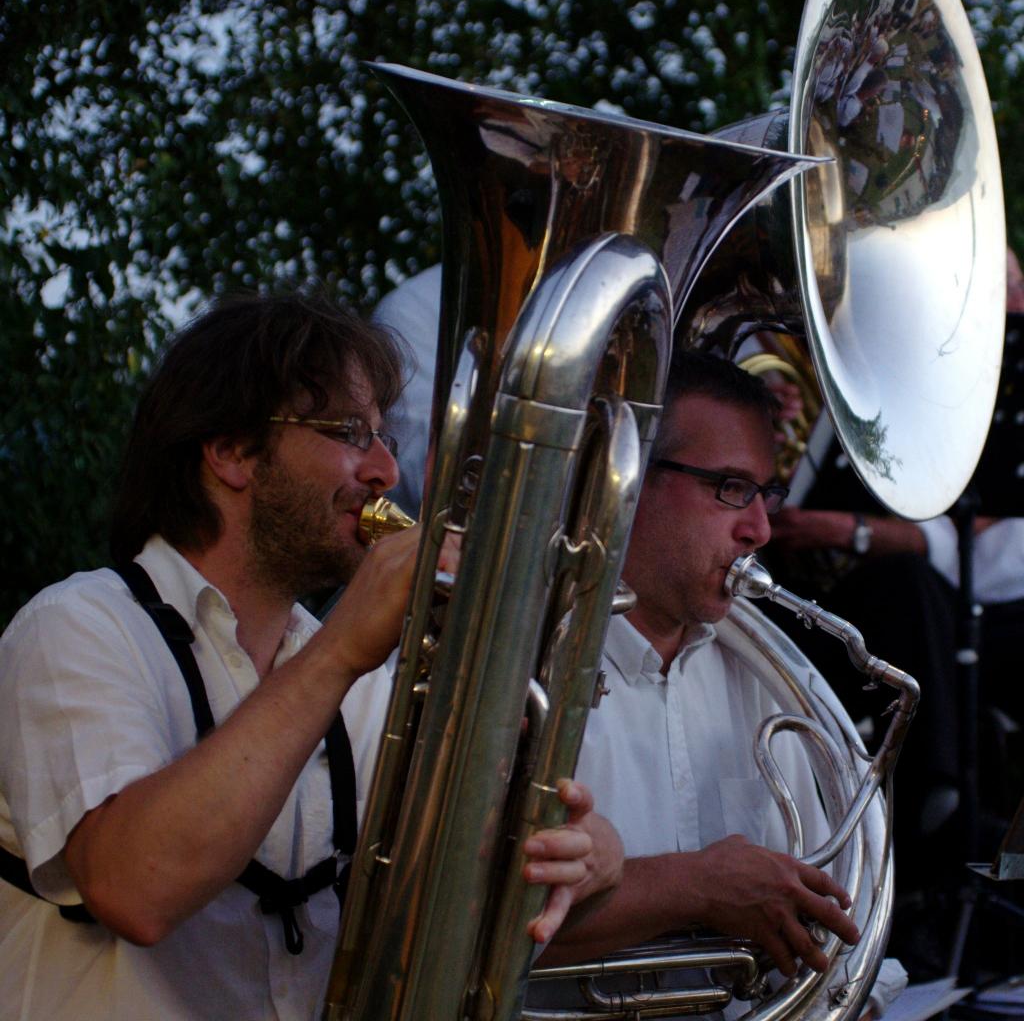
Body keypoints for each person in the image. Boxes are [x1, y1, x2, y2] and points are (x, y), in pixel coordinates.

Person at [0, 290, 622, 1020]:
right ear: (232, 450)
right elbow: (137, 889)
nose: (388, 470)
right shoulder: (78, 626)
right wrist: (339, 650)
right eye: (352, 432)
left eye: (383, 435)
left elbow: (462, 888)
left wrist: (586, 851)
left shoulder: (350, 676)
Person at [525, 351, 905, 1018]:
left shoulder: (766, 676)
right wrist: (694, 886)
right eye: (730, 487)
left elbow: (833, 918)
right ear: (628, 480)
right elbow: (447, 922)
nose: (758, 528)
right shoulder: (522, 665)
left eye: (767, 493)